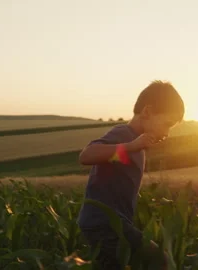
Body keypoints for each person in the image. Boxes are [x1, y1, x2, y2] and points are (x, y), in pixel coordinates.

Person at [77, 80, 185, 270]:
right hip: (104, 223)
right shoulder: (124, 134)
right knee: (160, 261)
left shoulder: (137, 145)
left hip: (114, 224)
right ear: (148, 112)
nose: (167, 133)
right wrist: (131, 147)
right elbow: (87, 155)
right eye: (167, 124)